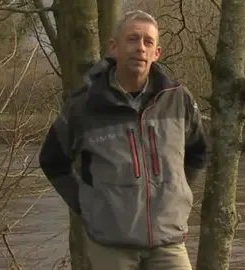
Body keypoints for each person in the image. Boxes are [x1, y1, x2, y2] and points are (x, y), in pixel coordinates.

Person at [38, 10, 209, 270]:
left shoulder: (178, 99)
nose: (140, 48)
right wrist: (86, 203)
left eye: (148, 42)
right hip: (111, 246)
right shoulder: (84, 106)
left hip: (168, 242)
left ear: (157, 53)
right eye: (132, 39)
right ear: (114, 48)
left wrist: (177, 191)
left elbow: (199, 151)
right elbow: (52, 161)